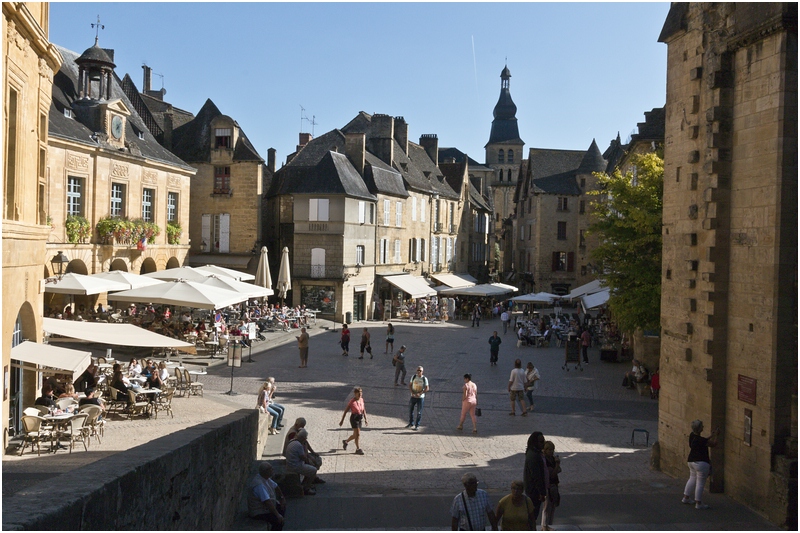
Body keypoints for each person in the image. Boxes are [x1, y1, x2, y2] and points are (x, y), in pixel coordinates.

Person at [682, 419, 720, 509]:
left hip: (691, 461)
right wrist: (716, 436)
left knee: (692, 478)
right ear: (699, 429)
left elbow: (703, 440)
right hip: (701, 463)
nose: (703, 427)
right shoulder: (701, 440)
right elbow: (713, 444)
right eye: (702, 426)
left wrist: (711, 435)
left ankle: (686, 497)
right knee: (700, 483)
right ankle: (698, 503)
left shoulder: (692, 436)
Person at [282, 418, 324, 484]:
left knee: (317, 459)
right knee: (313, 463)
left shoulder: (299, 433)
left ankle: (312, 477)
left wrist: (312, 452)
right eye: (301, 426)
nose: (302, 427)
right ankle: (309, 480)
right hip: (295, 457)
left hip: (299, 454)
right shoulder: (293, 433)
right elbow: (302, 453)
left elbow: (305, 442)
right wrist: (310, 458)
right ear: (296, 424)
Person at [247, 462, 286, 529]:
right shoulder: (259, 485)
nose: (272, 470)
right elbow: (267, 501)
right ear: (265, 471)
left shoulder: (265, 478)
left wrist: (282, 498)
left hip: (265, 508)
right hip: (258, 512)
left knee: (281, 507)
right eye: (270, 469)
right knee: (277, 520)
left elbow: (276, 486)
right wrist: (277, 515)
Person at [523, 431, 548, 524]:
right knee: (532, 516)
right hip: (534, 491)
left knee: (533, 515)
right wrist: (541, 492)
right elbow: (536, 476)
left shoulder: (535, 453)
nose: (543, 444)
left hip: (533, 490)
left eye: (543, 441)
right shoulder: (533, 456)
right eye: (541, 442)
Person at [285, 429, 318, 495]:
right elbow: (304, 458)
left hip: (290, 464)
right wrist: (305, 448)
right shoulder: (299, 445)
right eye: (305, 438)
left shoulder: (292, 441)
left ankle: (304, 484)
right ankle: (307, 488)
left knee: (309, 468)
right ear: (303, 438)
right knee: (313, 470)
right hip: (295, 466)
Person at [339, 387, 368, 455]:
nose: (360, 394)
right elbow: (346, 411)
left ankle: (346, 441)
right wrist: (342, 420)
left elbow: (363, 410)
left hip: (360, 418)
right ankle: (358, 449)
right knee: (357, 434)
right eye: (359, 393)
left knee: (355, 435)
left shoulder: (361, 400)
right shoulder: (352, 402)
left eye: (361, 393)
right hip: (354, 418)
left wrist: (366, 419)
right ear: (355, 394)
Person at [541, 441, 561, 530]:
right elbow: (552, 474)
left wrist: (556, 466)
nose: (551, 451)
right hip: (548, 485)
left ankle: (549, 524)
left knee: (552, 506)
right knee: (546, 507)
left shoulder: (552, 459)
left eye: (552, 449)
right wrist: (557, 464)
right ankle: (544, 525)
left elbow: (559, 470)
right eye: (549, 449)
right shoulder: (545, 460)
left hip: (554, 485)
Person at [407, 366, 429, 430]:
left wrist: (420, 393)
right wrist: (412, 393)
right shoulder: (413, 377)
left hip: (420, 398)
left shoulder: (424, 379)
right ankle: (411, 423)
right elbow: (410, 385)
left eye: (420, 371)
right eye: (418, 370)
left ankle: (417, 425)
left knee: (419, 412)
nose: (419, 372)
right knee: (410, 410)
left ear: (422, 372)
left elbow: (427, 388)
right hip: (413, 396)